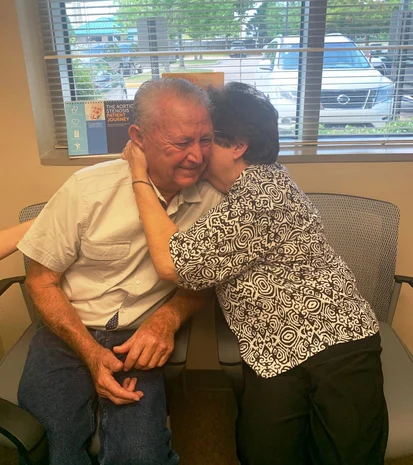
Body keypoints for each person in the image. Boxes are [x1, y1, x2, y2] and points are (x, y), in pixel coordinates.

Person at [121, 82, 388, 465]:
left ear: (238, 144)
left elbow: (173, 263)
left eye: (207, 139)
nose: (196, 153)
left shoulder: (262, 191)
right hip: (273, 351)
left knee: (344, 456)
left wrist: (138, 176)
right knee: (261, 452)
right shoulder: (236, 192)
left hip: (337, 343)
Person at [16, 78, 222, 465]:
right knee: (53, 446)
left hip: (137, 338)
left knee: (139, 456)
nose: (197, 156)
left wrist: (167, 318)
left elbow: (201, 284)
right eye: (181, 143)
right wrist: (92, 354)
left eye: (206, 140)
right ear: (138, 138)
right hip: (68, 329)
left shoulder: (212, 201)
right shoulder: (87, 189)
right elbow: (41, 281)